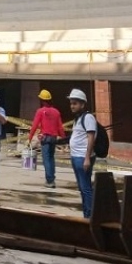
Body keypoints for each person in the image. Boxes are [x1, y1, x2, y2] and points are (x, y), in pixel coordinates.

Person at [28, 88, 66, 189]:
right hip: (53, 138)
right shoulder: (56, 112)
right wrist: (63, 138)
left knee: (46, 159)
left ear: (42, 100)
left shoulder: (40, 111)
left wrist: (30, 137)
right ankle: (51, 178)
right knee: (51, 158)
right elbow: (60, 127)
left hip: (45, 138)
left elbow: (34, 125)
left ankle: (50, 181)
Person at [67, 88, 96, 218]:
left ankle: (90, 216)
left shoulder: (88, 118)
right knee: (82, 188)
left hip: (82, 157)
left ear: (82, 104)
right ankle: (86, 214)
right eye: (71, 103)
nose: (72, 106)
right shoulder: (78, 118)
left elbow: (91, 137)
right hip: (76, 157)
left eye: (75, 103)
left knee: (86, 188)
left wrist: (87, 158)